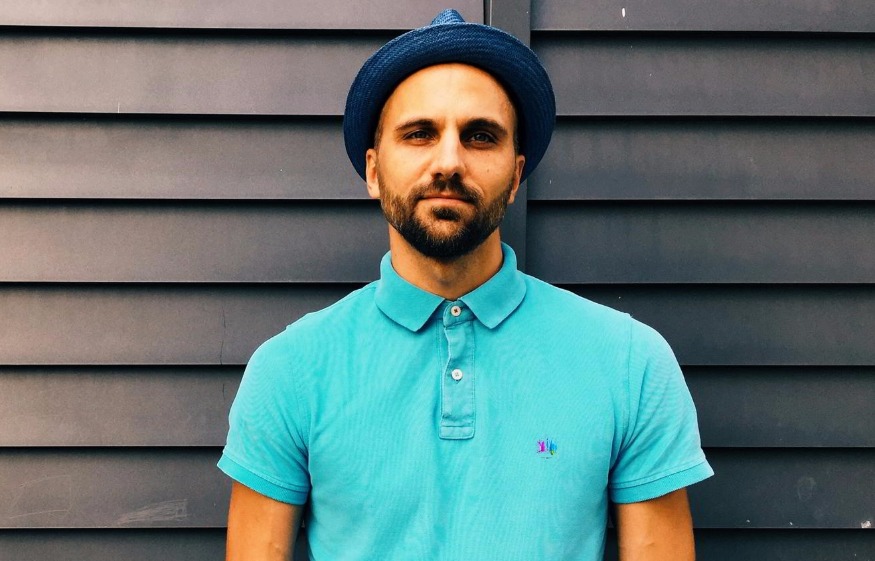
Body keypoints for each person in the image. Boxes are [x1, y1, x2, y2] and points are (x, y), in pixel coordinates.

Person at [219, 9, 713, 561]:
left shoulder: (629, 362)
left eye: (480, 136)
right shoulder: (290, 369)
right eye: (419, 134)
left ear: (516, 174)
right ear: (374, 171)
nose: (448, 162)